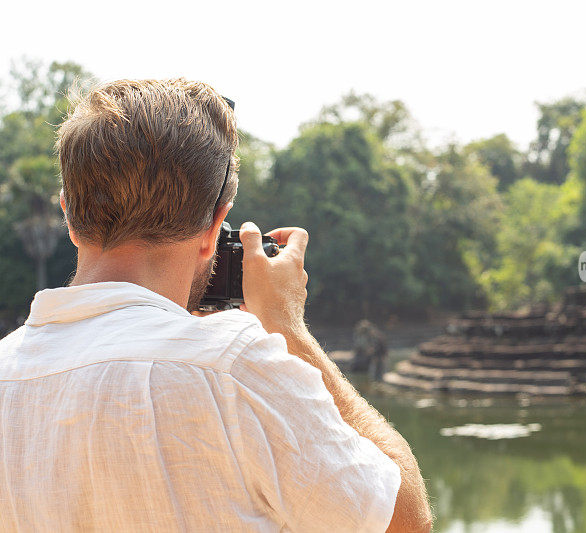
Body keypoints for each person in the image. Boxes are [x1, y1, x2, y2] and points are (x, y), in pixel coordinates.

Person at [0, 79, 432, 532]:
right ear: (215, 225)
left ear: (69, 213)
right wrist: (287, 328)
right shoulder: (232, 367)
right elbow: (404, 522)